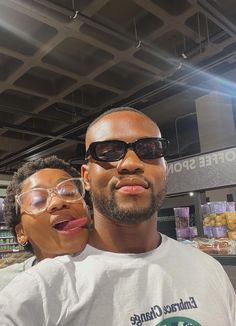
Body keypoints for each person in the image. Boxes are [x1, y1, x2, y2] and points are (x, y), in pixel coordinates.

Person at [0, 107, 235, 326]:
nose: (130, 164)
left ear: (165, 169)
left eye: (150, 149)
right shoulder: (38, 293)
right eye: (108, 152)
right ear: (86, 177)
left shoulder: (209, 271)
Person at [0, 155, 89, 290]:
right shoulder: (7, 288)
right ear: (21, 233)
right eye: (38, 201)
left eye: (69, 192)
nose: (58, 202)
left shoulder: (118, 270)